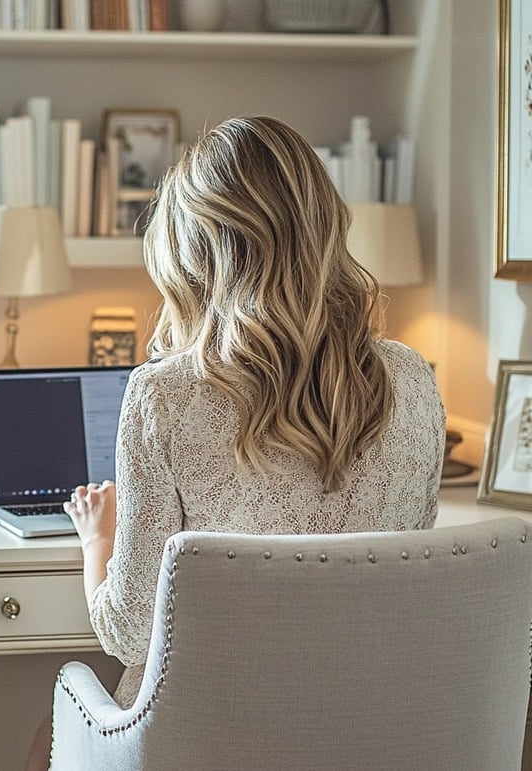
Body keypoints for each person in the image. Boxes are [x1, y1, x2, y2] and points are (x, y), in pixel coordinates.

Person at [25, 115, 445, 770]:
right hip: (373, 739)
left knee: (39, 736)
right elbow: (405, 580)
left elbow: (128, 631)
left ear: (194, 249)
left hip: (202, 746)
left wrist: (95, 538)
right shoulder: (414, 379)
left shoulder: (164, 397)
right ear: (324, 226)